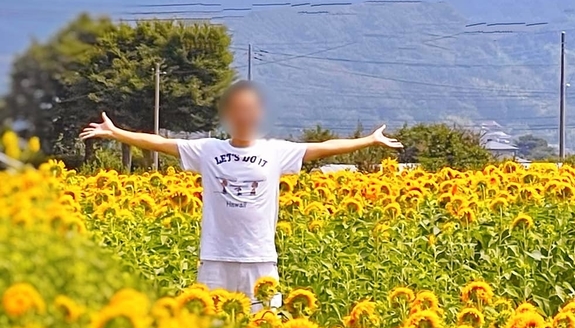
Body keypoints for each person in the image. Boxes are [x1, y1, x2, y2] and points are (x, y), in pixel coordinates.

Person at [79, 80, 402, 306]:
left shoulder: (277, 151)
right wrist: (116, 132)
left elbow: (323, 148)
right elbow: (159, 142)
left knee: (266, 326)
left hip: (260, 258)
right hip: (215, 257)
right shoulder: (206, 149)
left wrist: (370, 140)